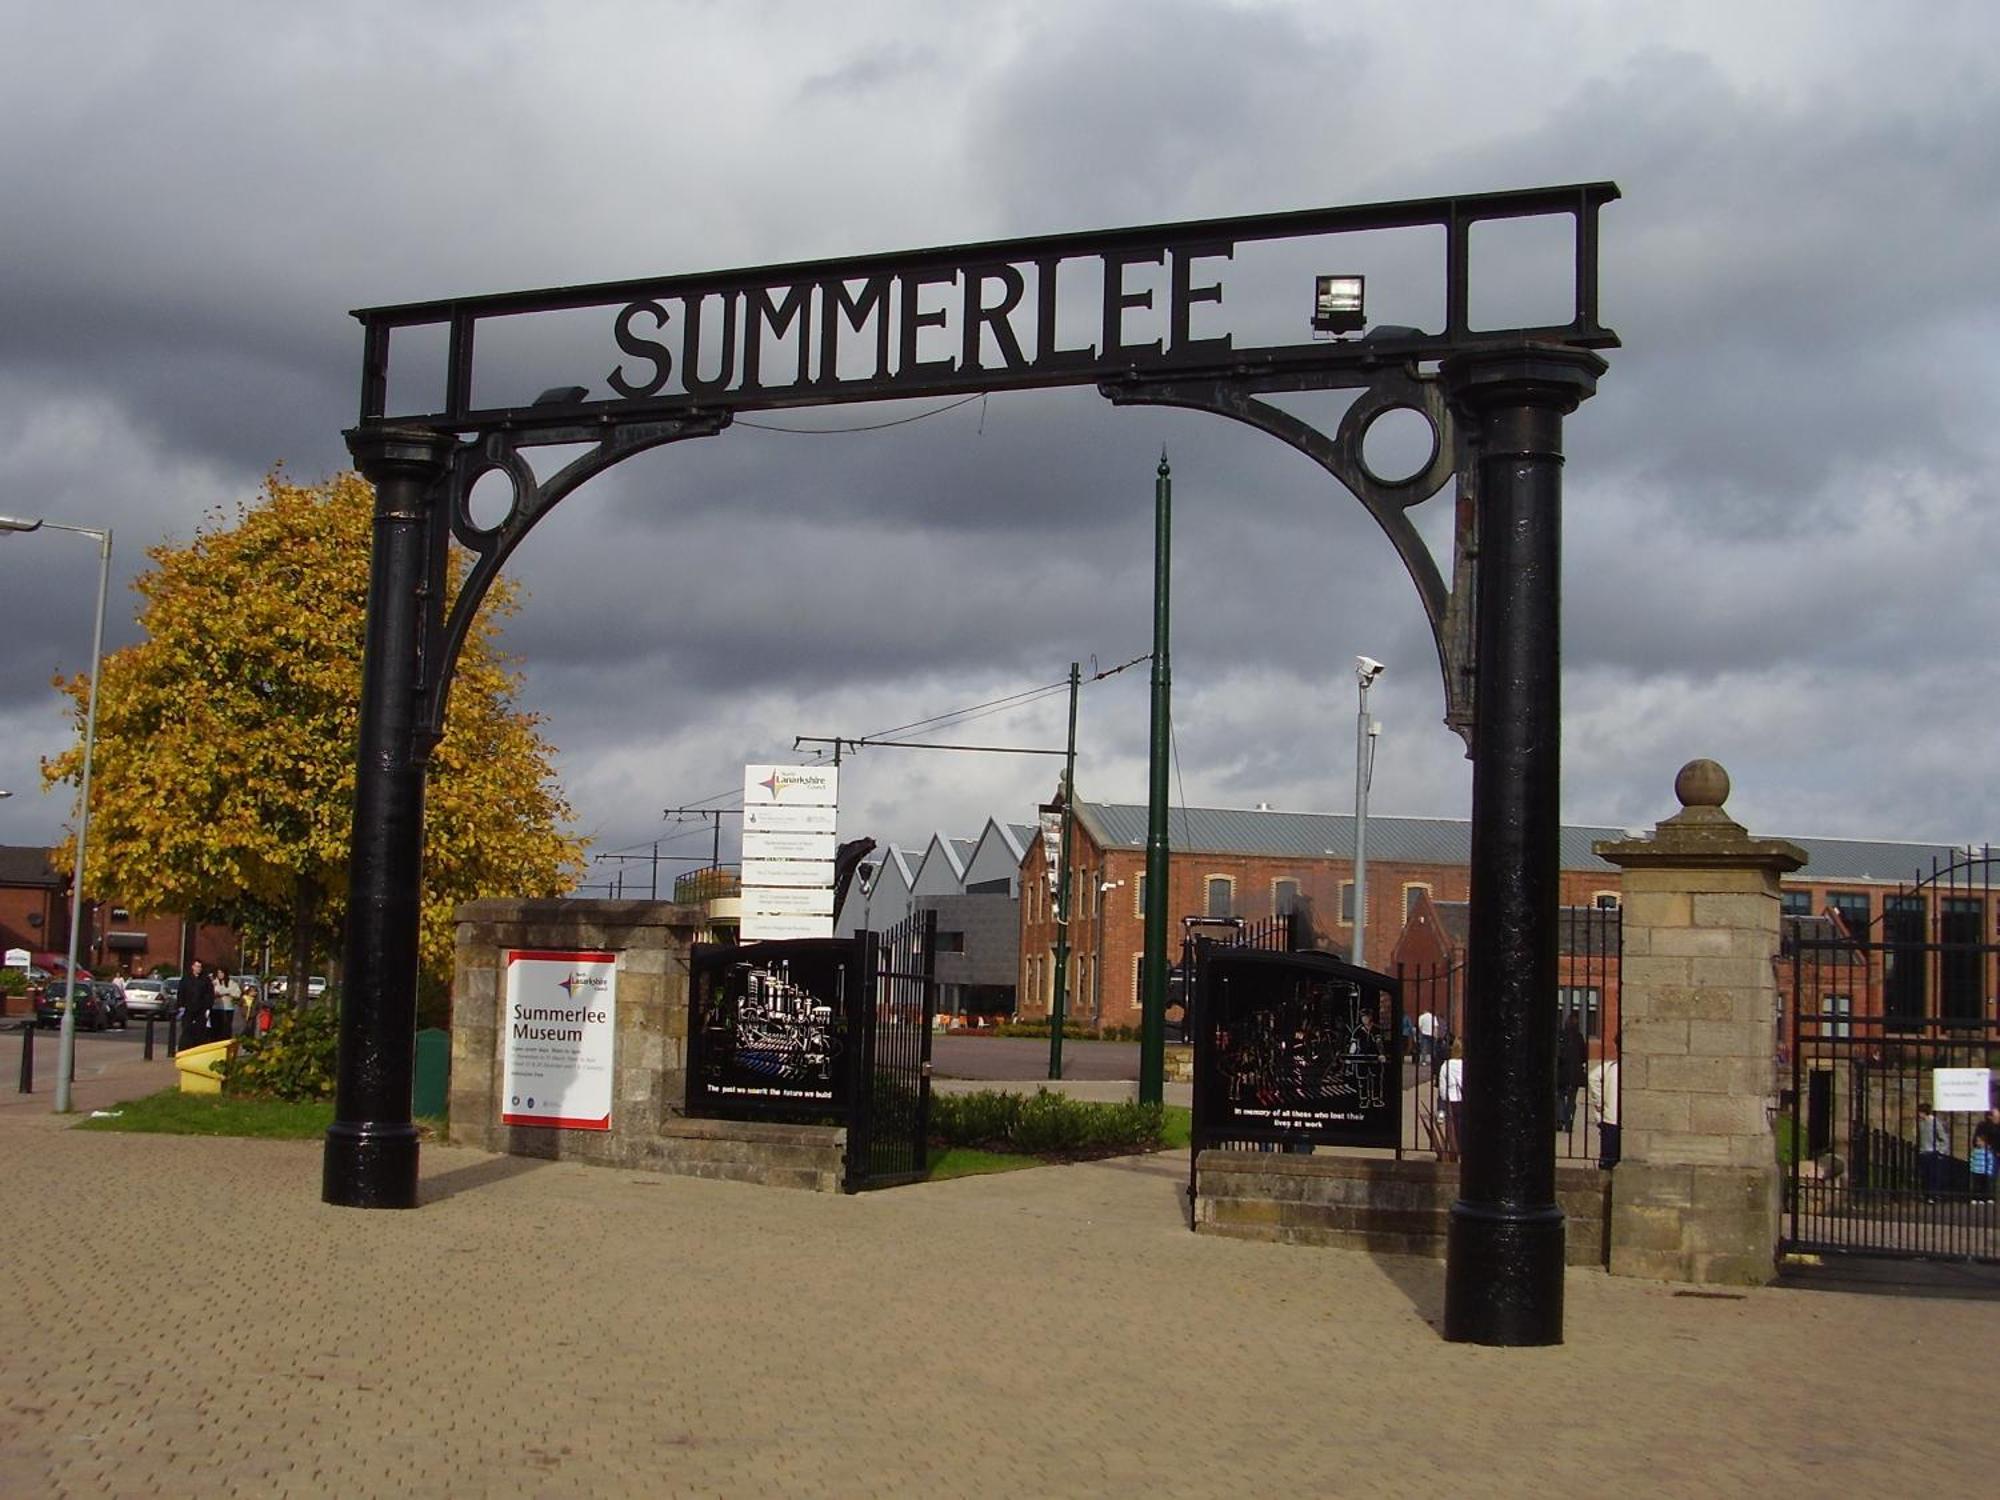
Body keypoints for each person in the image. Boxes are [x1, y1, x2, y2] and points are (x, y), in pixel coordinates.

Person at [1556, 1016, 1587, 1133]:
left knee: (1559, 1097)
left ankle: (1559, 1119)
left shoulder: (1560, 1036)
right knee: (1571, 1100)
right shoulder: (1579, 1038)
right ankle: (1568, 1122)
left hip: (1561, 1073)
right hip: (1574, 1075)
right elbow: (1584, 1056)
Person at [1915, 1101, 1950, 1203]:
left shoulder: (1934, 1122)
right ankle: (1926, 1195)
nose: (1918, 1114)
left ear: (1924, 1112)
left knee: (1932, 1175)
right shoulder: (1920, 1123)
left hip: (1932, 1152)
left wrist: (1941, 1151)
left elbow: (1943, 1138)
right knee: (1924, 1175)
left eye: (1920, 1112)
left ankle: (1932, 1195)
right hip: (1923, 1152)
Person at [179, 958, 215, 1046]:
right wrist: (181, 1006)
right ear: (192, 967)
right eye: (197, 966)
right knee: (186, 1029)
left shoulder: (205, 980)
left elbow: (210, 994)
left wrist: (208, 1007)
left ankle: (198, 1047)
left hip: (201, 1009)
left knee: (200, 1030)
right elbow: (181, 992)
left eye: (200, 967)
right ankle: (185, 1047)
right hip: (188, 1008)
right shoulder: (186, 979)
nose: (198, 968)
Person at [1439, 1039, 1465, 1160]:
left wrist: (1444, 1099)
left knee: (1453, 1126)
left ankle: (1455, 1149)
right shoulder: (1465, 1065)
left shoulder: (1446, 1065)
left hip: (1451, 1098)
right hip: (1463, 1098)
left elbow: (1442, 1087)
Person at [1972, 1098, 1999, 1205]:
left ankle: (1990, 1196)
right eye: (1996, 1116)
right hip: (1989, 1154)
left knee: (1991, 1176)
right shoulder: (1984, 1126)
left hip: (1994, 1152)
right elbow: (1976, 1140)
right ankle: (1983, 1196)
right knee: (1987, 1176)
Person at [212, 966, 241, 1039]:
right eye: (218, 973)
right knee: (216, 1029)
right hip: (216, 1008)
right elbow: (209, 993)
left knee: (226, 1028)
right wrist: (215, 995)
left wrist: (228, 994)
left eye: (221, 972)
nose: (220, 974)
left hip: (228, 1008)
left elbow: (238, 994)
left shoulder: (231, 983)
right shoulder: (214, 982)